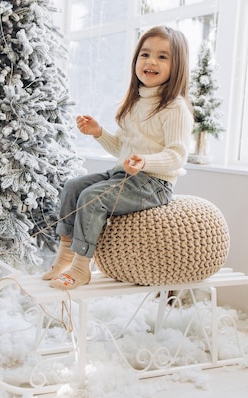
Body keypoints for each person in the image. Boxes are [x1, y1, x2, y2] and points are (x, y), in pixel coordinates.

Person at [44, 25, 193, 290]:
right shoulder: (135, 102)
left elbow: (177, 156)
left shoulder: (174, 108)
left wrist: (146, 162)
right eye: (145, 54)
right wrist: (99, 133)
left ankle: (81, 267)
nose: (151, 61)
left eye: (162, 57)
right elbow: (123, 151)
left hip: (155, 184)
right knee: (73, 187)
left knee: (92, 197)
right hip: (124, 175)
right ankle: (65, 256)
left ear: (177, 65)